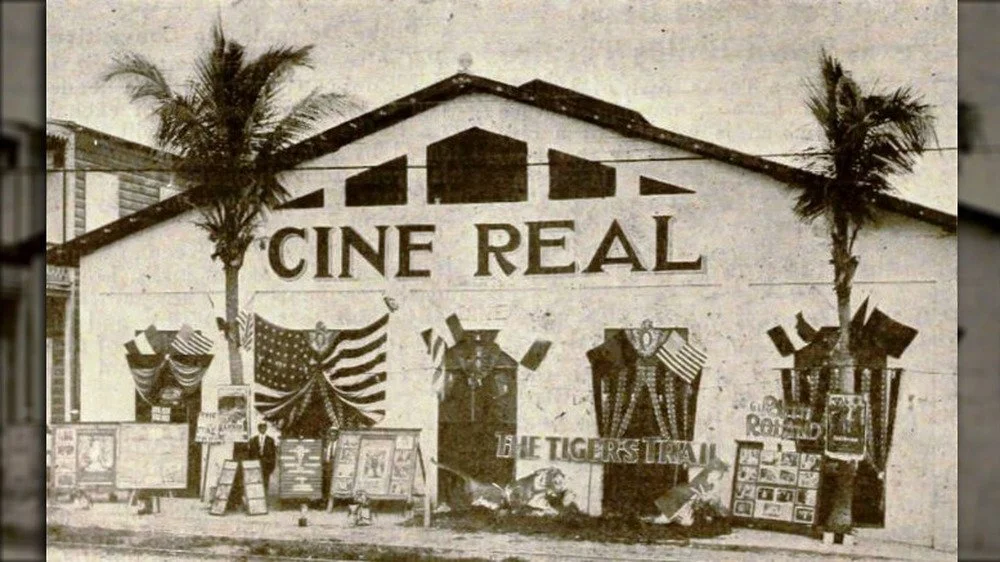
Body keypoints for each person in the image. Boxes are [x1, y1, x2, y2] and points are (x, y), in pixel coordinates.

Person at [248, 422, 277, 494]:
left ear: (266, 429)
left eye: (264, 427)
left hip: (266, 464)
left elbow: (273, 454)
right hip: (256, 464)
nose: (262, 429)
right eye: (261, 427)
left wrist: (272, 466)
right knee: (256, 481)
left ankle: (265, 496)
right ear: (258, 429)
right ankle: (257, 496)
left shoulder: (270, 440)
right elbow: (250, 454)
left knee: (265, 481)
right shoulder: (253, 440)